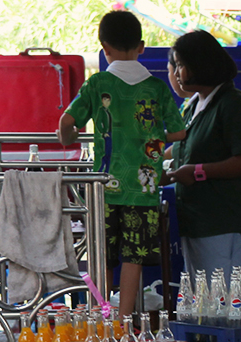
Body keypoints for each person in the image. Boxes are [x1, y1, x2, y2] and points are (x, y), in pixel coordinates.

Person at [56, 11, 185, 318]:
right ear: (141, 47)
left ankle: (101, 317)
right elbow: (179, 132)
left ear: (105, 48)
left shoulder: (98, 83)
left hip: (104, 188)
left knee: (103, 256)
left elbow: (66, 123)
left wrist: (69, 137)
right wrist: (152, 141)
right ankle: (124, 321)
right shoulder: (155, 88)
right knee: (133, 257)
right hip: (144, 187)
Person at [165, 31, 241, 277]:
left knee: (227, 302)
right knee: (204, 305)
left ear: (200, 64)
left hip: (223, 220)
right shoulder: (194, 106)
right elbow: (181, 149)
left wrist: (198, 172)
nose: (176, 73)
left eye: (180, 65)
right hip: (195, 221)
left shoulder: (233, 104)